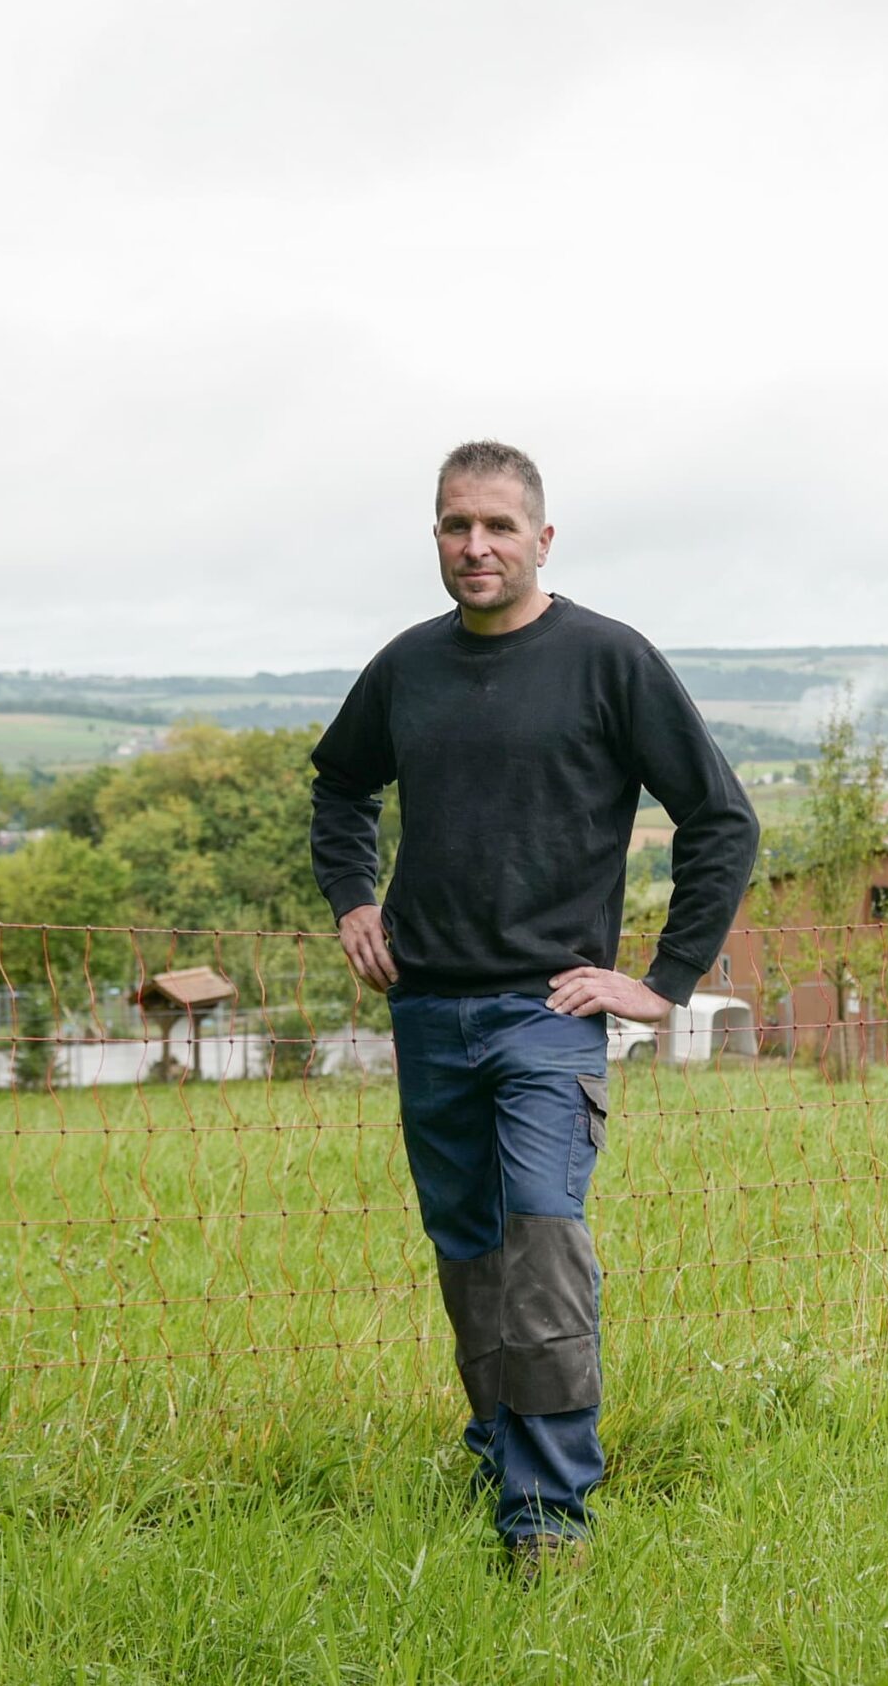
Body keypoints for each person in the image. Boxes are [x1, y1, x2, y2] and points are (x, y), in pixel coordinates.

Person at [308, 440, 758, 1575]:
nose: (476, 546)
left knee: (542, 1244)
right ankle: (498, 1452)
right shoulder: (406, 667)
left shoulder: (608, 660)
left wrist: (661, 985)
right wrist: (353, 897)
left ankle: (548, 1518)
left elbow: (719, 819)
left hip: (548, 1014)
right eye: (456, 526)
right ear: (437, 537)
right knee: (468, 1252)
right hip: (427, 1014)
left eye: (499, 527)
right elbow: (341, 785)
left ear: (541, 539)